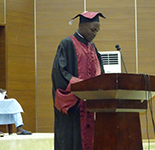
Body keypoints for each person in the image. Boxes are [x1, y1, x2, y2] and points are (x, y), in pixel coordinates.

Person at [52, 11, 105, 150]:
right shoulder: (67, 44)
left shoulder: (93, 48)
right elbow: (59, 73)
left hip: (90, 106)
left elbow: (100, 73)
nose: (95, 33)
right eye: (93, 29)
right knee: (71, 141)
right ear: (82, 26)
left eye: (97, 30)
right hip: (73, 107)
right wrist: (82, 87)